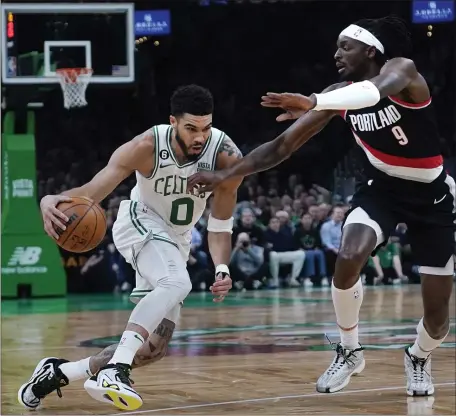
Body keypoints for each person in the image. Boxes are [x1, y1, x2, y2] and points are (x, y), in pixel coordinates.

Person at [187, 17, 455, 397]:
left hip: (434, 198)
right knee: (349, 253)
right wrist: (228, 176)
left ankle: (418, 356)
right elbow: (281, 147)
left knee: (439, 318)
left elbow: (376, 91)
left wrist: (315, 101)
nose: (336, 53)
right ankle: (349, 349)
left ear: (371, 51)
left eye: (346, 46)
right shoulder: (337, 95)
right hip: (382, 190)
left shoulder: (402, 70)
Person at [18, 85, 243, 411]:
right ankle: (115, 370)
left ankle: (60, 371)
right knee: (177, 282)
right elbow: (92, 192)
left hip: (177, 240)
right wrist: (51, 199)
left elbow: (220, 224)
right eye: (191, 128)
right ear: (173, 122)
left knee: (153, 348)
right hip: (140, 222)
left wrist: (222, 268)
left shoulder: (225, 157)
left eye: (206, 128)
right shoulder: (147, 146)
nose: (199, 137)